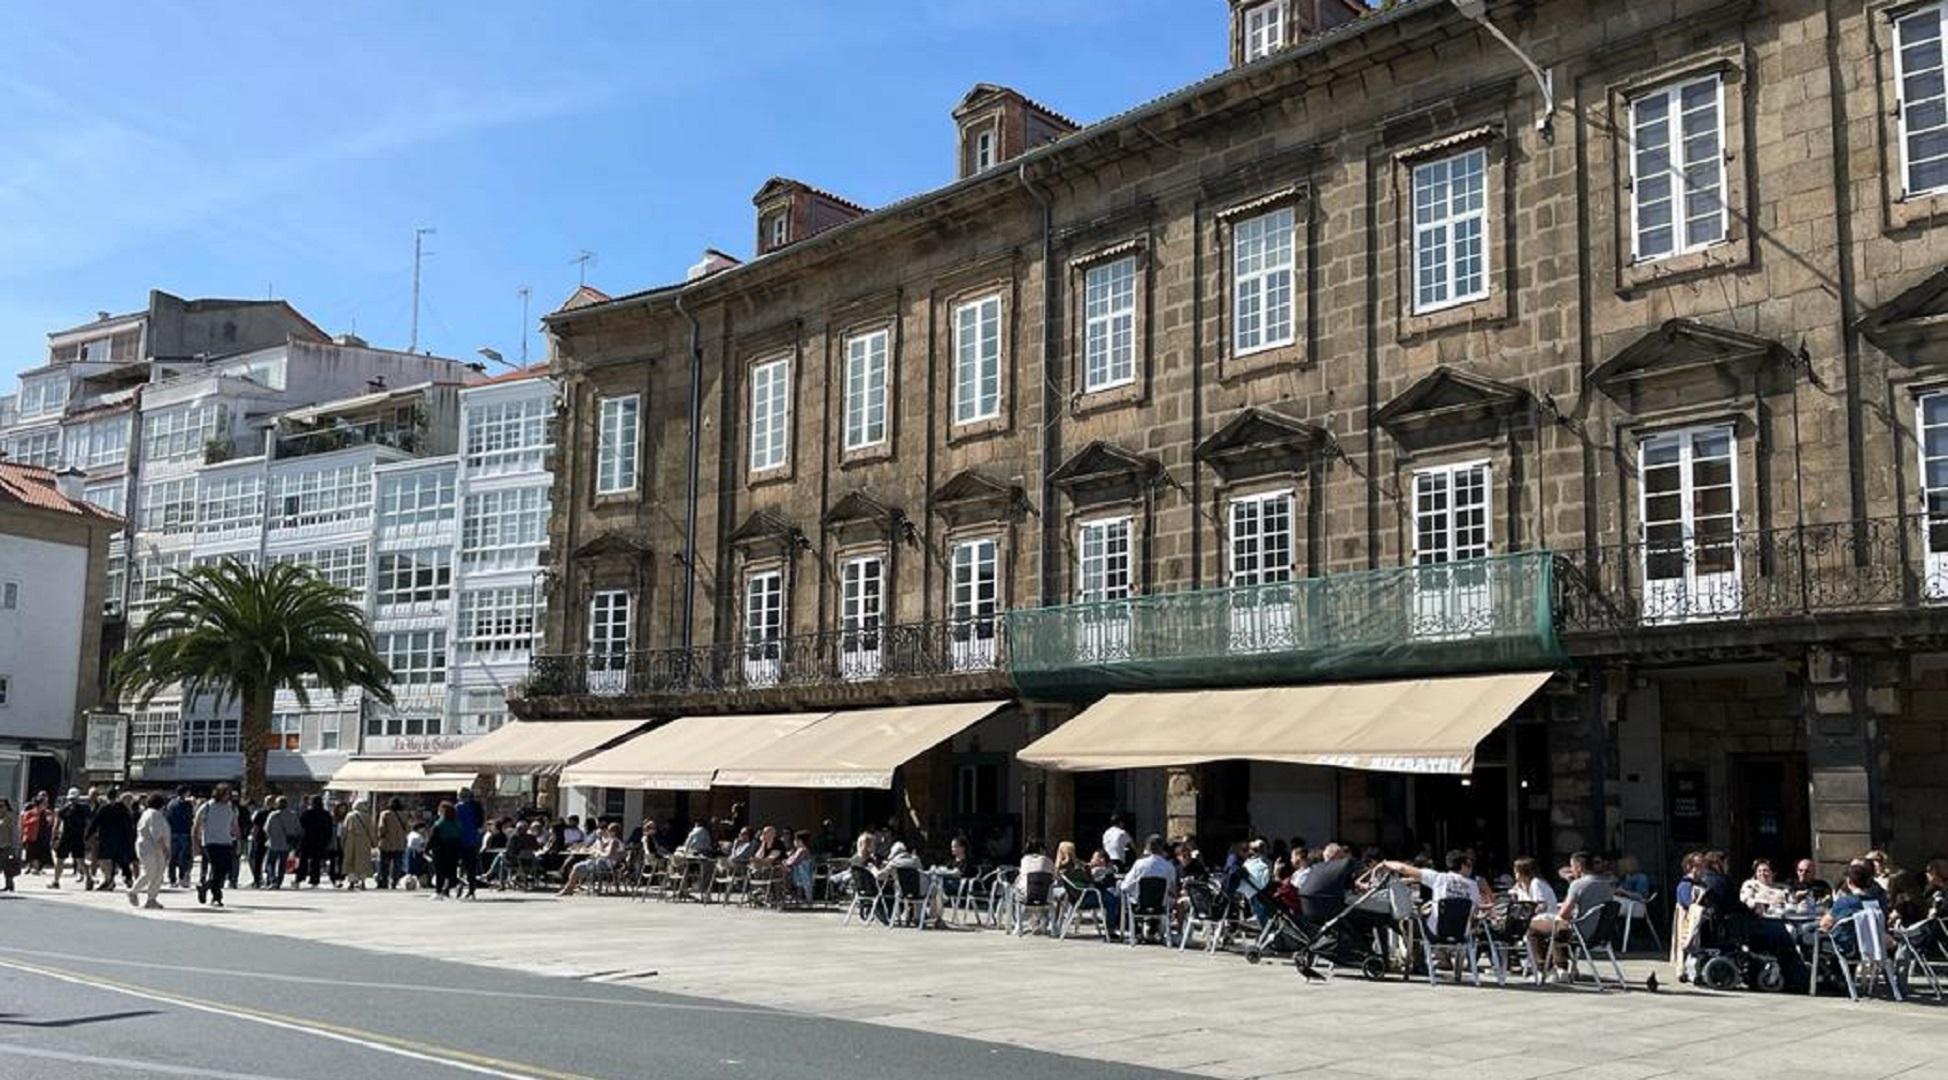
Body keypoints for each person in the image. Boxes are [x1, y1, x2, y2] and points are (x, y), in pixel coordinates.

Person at [1380, 850, 1494, 938]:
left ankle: (1420, 961)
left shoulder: (1439, 878)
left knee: (1409, 922)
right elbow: (1477, 908)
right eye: (1469, 864)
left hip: (1436, 932)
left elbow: (1402, 868)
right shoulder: (1473, 885)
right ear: (1462, 866)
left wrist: (1385, 863)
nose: (1471, 868)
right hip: (1462, 933)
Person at [1119, 835, 1179, 941]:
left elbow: (1125, 886)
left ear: (1147, 847)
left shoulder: (1139, 864)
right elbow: (1172, 888)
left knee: (1125, 894)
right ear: (1162, 848)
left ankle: (1135, 930)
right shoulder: (1169, 866)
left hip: (1140, 904)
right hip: (1161, 905)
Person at [190, 784, 240, 907]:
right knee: (217, 869)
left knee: (225, 869)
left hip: (227, 842)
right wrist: (195, 843)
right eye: (226, 794)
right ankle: (216, 897)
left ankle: (205, 886)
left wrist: (238, 841)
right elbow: (196, 825)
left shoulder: (231, 808)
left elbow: (235, 825)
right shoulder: (207, 806)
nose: (228, 797)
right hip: (210, 842)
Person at [130, 792, 171, 909]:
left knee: (157, 874)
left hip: (148, 848)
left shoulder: (147, 813)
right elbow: (157, 834)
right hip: (152, 849)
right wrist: (165, 849)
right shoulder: (155, 815)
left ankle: (151, 898)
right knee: (150, 873)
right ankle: (134, 891)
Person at [559, 823, 624, 896]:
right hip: (603, 863)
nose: (607, 832)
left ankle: (569, 888)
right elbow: (599, 849)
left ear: (614, 832)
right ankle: (570, 887)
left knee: (577, 867)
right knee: (577, 866)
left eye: (609, 830)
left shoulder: (614, 842)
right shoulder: (611, 841)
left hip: (606, 864)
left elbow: (608, 855)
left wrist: (598, 852)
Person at [427, 801, 464, 899]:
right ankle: (455, 885)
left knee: (440, 872)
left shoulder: (439, 823)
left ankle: (438, 892)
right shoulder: (456, 823)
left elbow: (433, 838)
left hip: (440, 850)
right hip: (454, 850)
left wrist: (427, 849)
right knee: (451, 871)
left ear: (442, 810)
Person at [295, 796, 333, 887]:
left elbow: (300, 827)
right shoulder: (326, 814)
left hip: (307, 839)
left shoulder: (307, 813)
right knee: (316, 861)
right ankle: (314, 880)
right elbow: (329, 829)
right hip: (320, 841)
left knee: (303, 860)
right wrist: (327, 841)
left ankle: (300, 878)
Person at [261, 796, 297, 888]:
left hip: (274, 843)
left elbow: (266, 828)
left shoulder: (273, 815)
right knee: (282, 864)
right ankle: (279, 881)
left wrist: (270, 836)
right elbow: (298, 829)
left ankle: (272, 879)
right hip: (286, 844)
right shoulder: (292, 815)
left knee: (270, 862)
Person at [340, 801, 376, 889]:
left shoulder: (349, 816)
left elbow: (344, 830)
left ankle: (351, 882)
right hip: (364, 841)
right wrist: (374, 843)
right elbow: (371, 831)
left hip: (351, 840)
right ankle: (362, 882)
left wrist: (342, 842)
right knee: (362, 862)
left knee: (351, 861)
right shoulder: (367, 817)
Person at [454, 788, 483, 898]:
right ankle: (471, 889)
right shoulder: (476, 807)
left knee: (460, 865)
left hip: (461, 840)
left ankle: (459, 884)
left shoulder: (458, 808)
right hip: (473, 840)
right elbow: (479, 824)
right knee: (471, 866)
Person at [164, 788, 194, 887]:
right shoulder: (186, 805)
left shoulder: (170, 804)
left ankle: (172, 879)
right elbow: (190, 818)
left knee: (172, 857)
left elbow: (167, 817)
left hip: (173, 832)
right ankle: (182, 877)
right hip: (184, 832)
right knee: (184, 856)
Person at [376, 797, 408, 889]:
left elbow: (381, 828)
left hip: (387, 843)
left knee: (384, 864)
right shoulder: (404, 815)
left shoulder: (385, 814)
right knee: (397, 864)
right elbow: (408, 828)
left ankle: (384, 881)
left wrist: (380, 836)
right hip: (399, 843)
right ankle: (394, 882)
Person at [20, 794, 53, 876]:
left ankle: (38, 868)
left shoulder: (47, 813)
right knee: (32, 853)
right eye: (44, 803)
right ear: (39, 804)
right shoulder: (30, 813)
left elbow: (51, 823)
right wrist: (34, 820)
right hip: (32, 836)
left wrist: (51, 820)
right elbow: (24, 823)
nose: (46, 805)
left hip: (43, 836)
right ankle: (34, 868)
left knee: (42, 853)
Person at [0, 798, 17, 893]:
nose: (0, 808)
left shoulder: (10, 817)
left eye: (2, 806)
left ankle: (9, 884)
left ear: (6, 807)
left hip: (7, 845)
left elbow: (14, 833)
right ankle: (9, 884)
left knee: (8, 866)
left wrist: (15, 847)